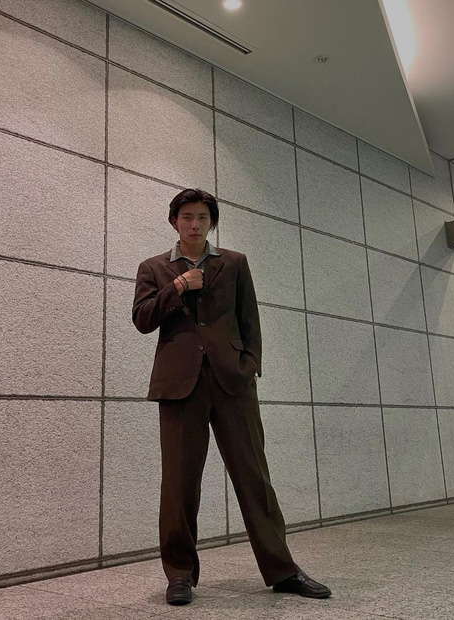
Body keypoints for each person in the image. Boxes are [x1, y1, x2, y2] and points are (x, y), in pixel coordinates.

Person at [132, 188, 331, 606]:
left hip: (232, 383)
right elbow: (143, 319)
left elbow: (249, 318)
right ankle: (180, 574)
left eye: (203, 217)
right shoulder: (153, 268)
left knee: (253, 475)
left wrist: (249, 364)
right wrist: (179, 286)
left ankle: (283, 570)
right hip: (179, 386)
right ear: (174, 221)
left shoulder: (235, 263)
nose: (195, 224)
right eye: (187, 217)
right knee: (179, 483)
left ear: (212, 222)